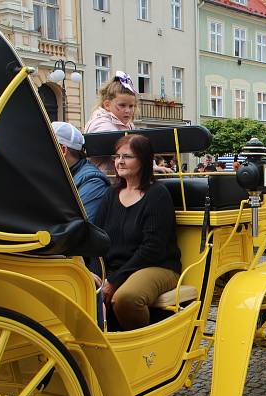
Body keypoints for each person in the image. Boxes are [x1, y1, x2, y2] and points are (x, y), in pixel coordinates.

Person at [94, 134, 181, 331]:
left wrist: (115, 280)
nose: (120, 162)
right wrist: (92, 271)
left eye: (127, 156)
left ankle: (144, 348)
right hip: (116, 266)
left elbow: (153, 248)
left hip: (156, 266)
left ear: (143, 160)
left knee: (127, 298)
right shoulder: (111, 194)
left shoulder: (157, 194)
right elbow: (97, 236)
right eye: (117, 156)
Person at [51, 121, 109, 223]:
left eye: (44, 146)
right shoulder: (59, 175)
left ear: (63, 150)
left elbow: (81, 228)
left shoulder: (93, 182)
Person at [84, 71, 137, 175]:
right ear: (107, 105)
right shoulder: (100, 122)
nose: (128, 110)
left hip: (119, 177)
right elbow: (119, 145)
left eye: (131, 106)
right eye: (122, 105)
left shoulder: (128, 124)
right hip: (104, 179)